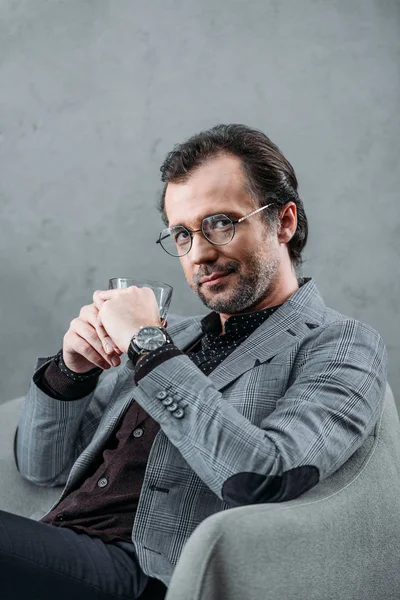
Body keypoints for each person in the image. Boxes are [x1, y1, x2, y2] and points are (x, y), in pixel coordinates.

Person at [3, 124, 387, 599]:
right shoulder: (175, 337)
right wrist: (70, 371)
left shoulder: (342, 344)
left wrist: (147, 346)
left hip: (142, 572)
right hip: (60, 547)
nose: (200, 253)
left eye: (221, 223)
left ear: (283, 222)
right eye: (182, 234)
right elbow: (41, 467)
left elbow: (264, 477)